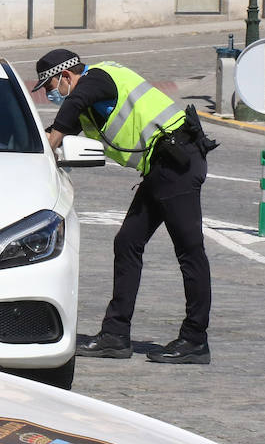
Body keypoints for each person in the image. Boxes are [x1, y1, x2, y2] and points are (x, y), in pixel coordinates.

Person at [34, 47, 215, 365]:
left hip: (177, 161)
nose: (52, 95)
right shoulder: (90, 104)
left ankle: (195, 339)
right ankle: (115, 336)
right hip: (160, 168)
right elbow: (62, 129)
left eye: (50, 88)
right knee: (128, 242)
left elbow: (72, 105)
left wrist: (53, 141)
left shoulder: (98, 78)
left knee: (190, 251)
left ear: (64, 76)